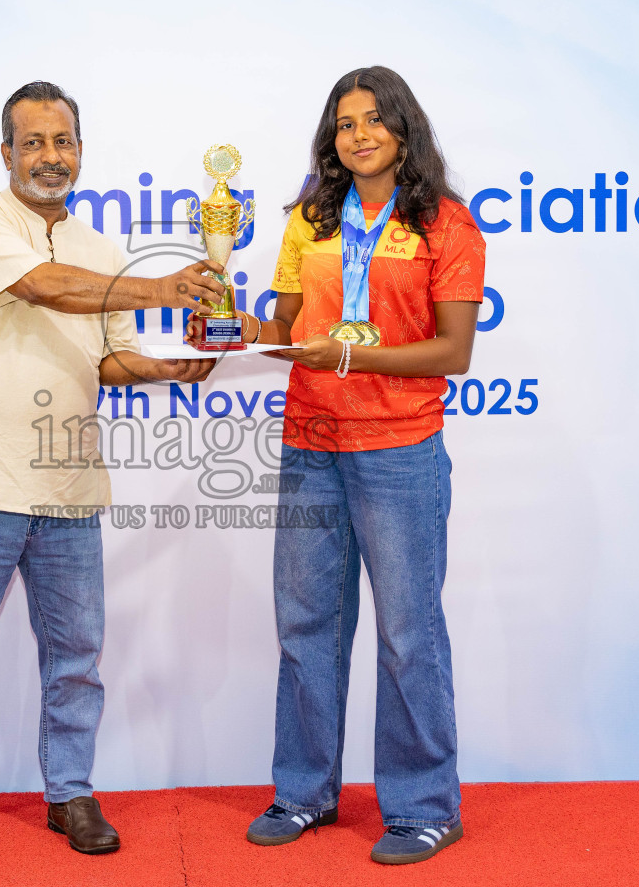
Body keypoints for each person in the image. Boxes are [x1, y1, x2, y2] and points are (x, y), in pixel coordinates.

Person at [0, 80, 222, 856]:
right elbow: (44, 288)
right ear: (6, 153)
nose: (51, 156)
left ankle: (70, 793)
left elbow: (106, 356)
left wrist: (177, 369)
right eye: (34, 142)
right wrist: (163, 286)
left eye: (64, 141)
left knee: (77, 658)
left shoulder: (101, 249)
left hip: (70, 484)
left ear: (81, 150)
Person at [218, 66, 484, 865]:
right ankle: (303, 793)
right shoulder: (312, 218)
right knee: (307, 626)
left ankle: (425, 807)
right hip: (310, 443)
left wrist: (346, 357)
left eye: (374, 119)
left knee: (408, 632)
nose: (358, 133)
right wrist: (228, 321)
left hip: (400, 446)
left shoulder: (445, 223)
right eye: (344, 123)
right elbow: (286, 324)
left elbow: (455, 352)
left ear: (405, 129)